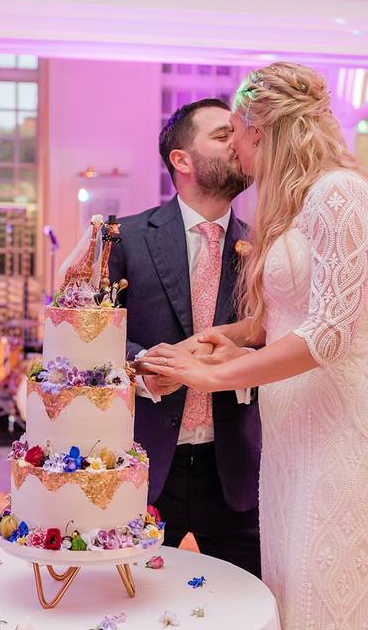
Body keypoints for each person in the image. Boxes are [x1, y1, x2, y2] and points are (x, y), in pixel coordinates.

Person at [141, 63, 368, 629]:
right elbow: (284, 317)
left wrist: (218, 377)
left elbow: (329, 334)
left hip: (341, 432)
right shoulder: (300, 204)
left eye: (236, 136)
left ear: (261, 131)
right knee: (295, 596)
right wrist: (226, 341)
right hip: (292, 437)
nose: (237, 157)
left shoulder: (342, 194)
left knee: (334, 594)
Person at [107, 98, 261, 575]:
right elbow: (87, 336)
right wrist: (143, 368)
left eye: (237, 134)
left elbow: (277, 336)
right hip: (146, 467)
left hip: (235, 467)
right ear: (182, 159)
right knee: (133, 603)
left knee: (246, 604)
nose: (237, 143)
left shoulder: (265, 248)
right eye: (222, 135)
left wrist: (244, 357)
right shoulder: (125, 238)